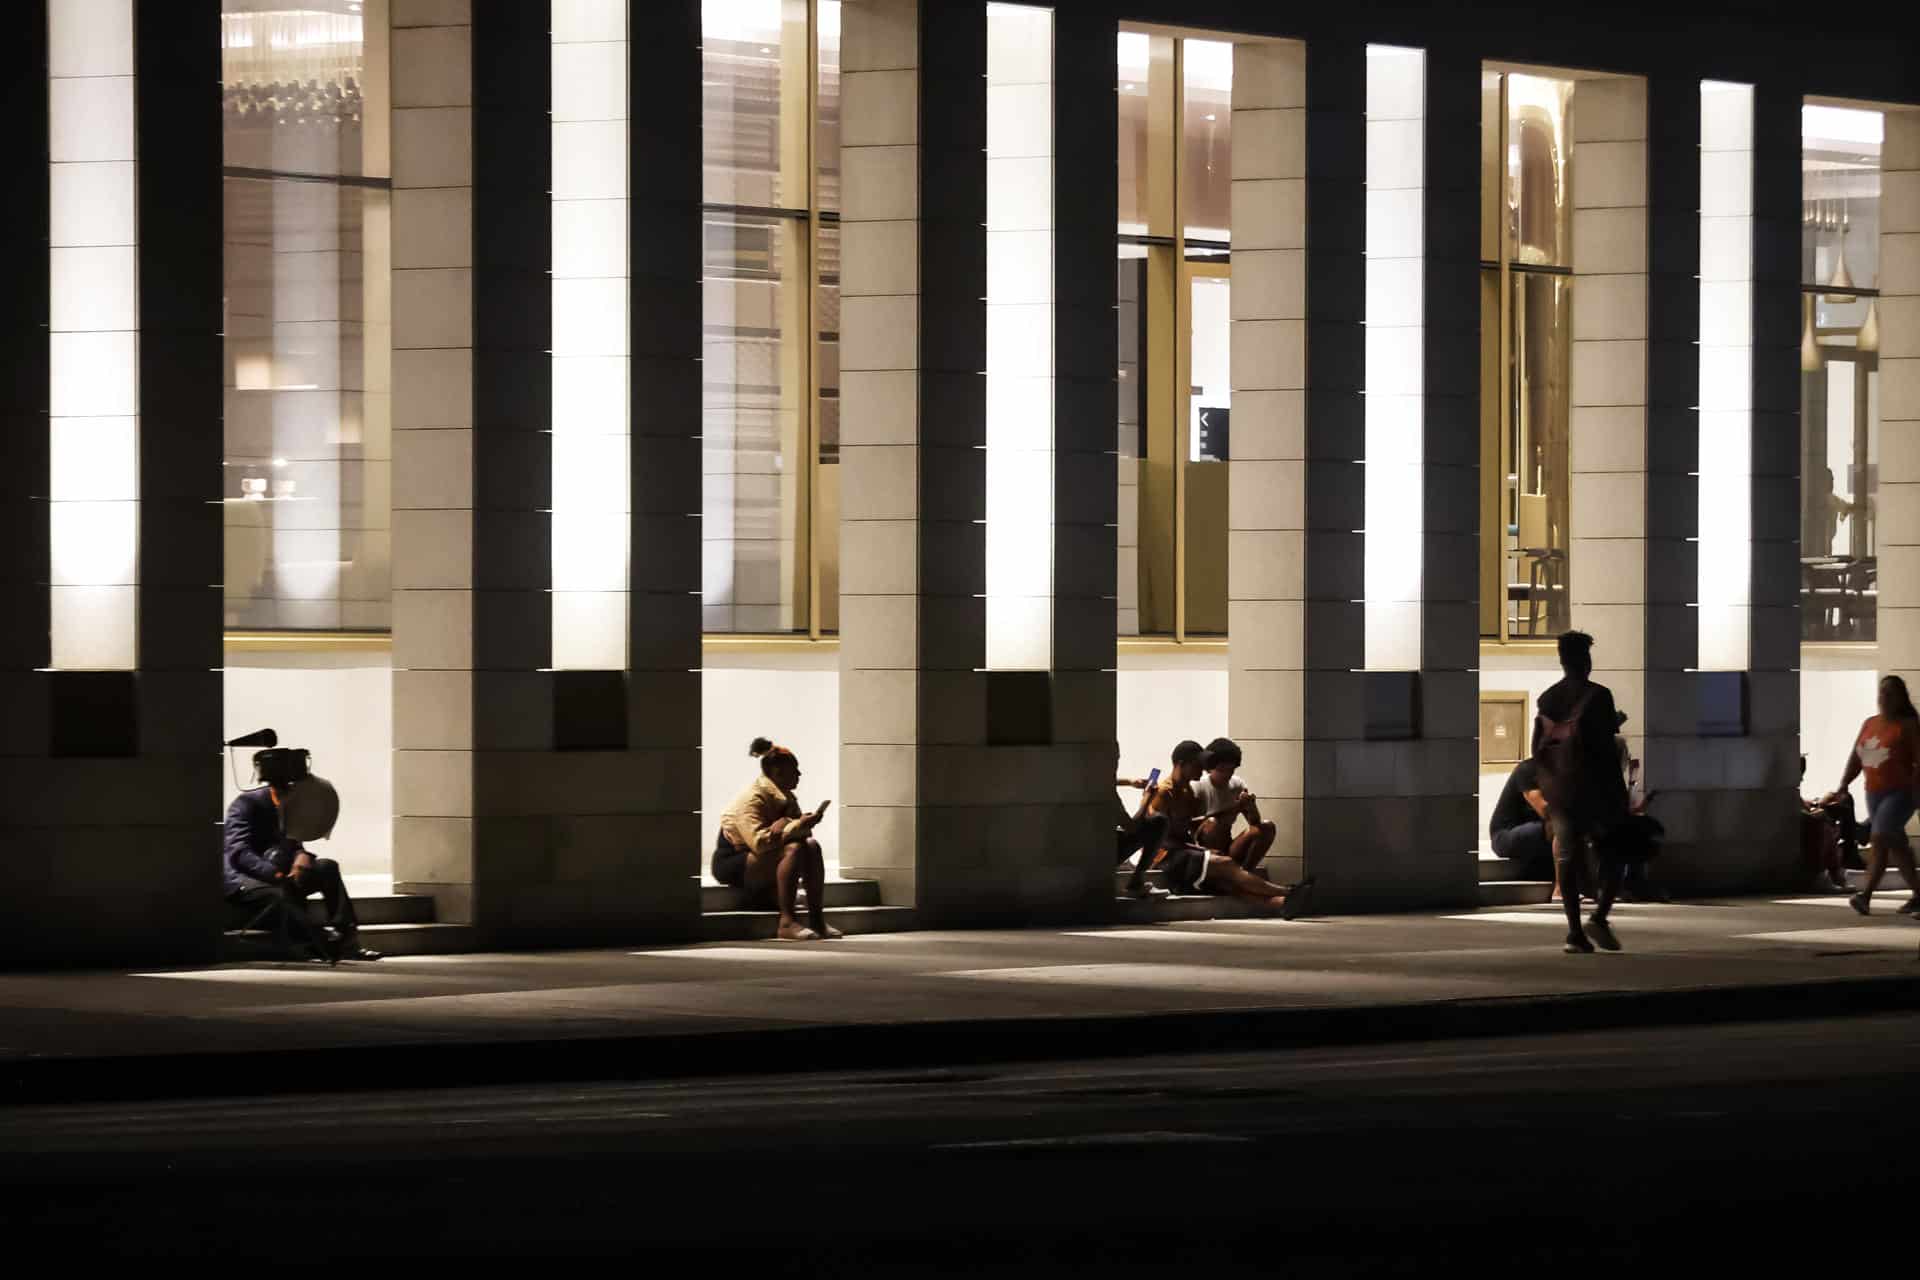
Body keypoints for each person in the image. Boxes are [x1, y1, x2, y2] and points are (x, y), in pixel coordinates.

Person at [1533, 630, 1629, 954]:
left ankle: (1574, 933)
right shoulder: (1599, 696)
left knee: (1567, 857)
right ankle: (1599, 917)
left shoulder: (1547, 699)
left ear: (1562, 660)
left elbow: (1540, 747)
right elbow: (1603, 748)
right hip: (1595, 790)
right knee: (1617, 852)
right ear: (1584, 660)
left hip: (1560, 788)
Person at [1147, 740, 1313, 916]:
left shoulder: (1187, 790)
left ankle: (1281, 903)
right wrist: (1198, 848)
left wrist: (1246, 806)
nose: (1202, 770)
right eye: (1198, 765)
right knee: (1224, 864)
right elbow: (1156, 834)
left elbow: (1188, 826)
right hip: (1169, 856)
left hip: (1186, 852)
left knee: (1224, 882)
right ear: (1182, 764)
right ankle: (1288, 891)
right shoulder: (1165, 792)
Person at [223, 779, 381, 963]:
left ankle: (347, 939)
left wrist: (302, 855)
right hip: (247, 878)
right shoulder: (246, 805)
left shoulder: (291, 807)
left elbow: (294, 839)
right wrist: (275, 873)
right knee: (278, 895)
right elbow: (239, 852)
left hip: (281, 870)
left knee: (327, 867)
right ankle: (322, 943)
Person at [716, 738, 841, 941]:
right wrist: (796, 824)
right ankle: (786, 922)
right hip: (734, 861)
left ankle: (817, 919)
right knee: (793, 850)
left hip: (761, 856)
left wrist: (793, 823)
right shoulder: (751, 799)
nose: (800, 775)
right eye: (795, 770)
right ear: (777, 773)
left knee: (811, 846)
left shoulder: (786, 797)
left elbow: (802, 835)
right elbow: (759, 843)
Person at [1824, 675, 1920, 917]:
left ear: (1900, 698)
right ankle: (1919, 896)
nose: (1884, 698)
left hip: (1901, 792)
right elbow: (1857, 756)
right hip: (1874, 792)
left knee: (1879, 836)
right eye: (1881, 693)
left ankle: (1864, 896)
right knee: (1897, 846)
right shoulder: (1870, 723)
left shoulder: (1908, 725)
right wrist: (1844, 783)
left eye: (1890, 694)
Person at [1192, 738, 1279, 871]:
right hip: (1203, 849)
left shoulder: (1237, 784)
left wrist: (1250, 806)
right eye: (1222, 770)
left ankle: (1246, 873)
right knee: (1212, 823)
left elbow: (1254, 822)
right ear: (1211, 768)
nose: (1227, 774)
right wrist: (1234, 809)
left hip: (1228, 845)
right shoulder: (1198, 786)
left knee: (1267, 827)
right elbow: (1193, 826)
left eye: (1231, 770)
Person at [1114, 745, 1171, 899]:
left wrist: (1130, 782)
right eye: (1115, 758)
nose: (1116, 762)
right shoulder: (1109, 795)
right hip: (1104, 853)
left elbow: (1108, 778)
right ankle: (1135, 883)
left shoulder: (1088, 779)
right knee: (1159, 821)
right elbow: (1131, 827)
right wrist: (1147, 799)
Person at [1488, 758, 1552, 881]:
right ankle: (1560, 889)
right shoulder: (1528, 768)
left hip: (1533, 832)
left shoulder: (1563, 772)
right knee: (1558, 826)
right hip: (1504, 836)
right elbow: (1545, 810)